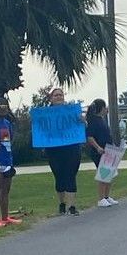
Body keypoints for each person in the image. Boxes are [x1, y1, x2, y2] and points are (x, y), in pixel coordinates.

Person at [42, 87, 84, 216]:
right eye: (56, 95)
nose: (59, 97)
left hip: (71, 148)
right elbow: (41, 130)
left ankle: (72, 206)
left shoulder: (72, 112)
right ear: (51, 98)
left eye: (61, 95)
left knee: (71, 175)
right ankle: (62, 203)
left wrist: (83, 121)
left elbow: (82, 127)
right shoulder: (45, 114)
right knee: (59, 176)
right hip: (54, 150)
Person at [85, 98, 119, 208]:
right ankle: (100, 198)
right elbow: (90, 137)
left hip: (109, 150)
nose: (107, 109)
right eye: (105, 107)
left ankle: (106, 196)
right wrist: (98, 147)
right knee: (103, 174)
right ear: (101, 108)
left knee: (110, 174)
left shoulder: (102, 119)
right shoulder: (93, 121)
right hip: (99, 151)